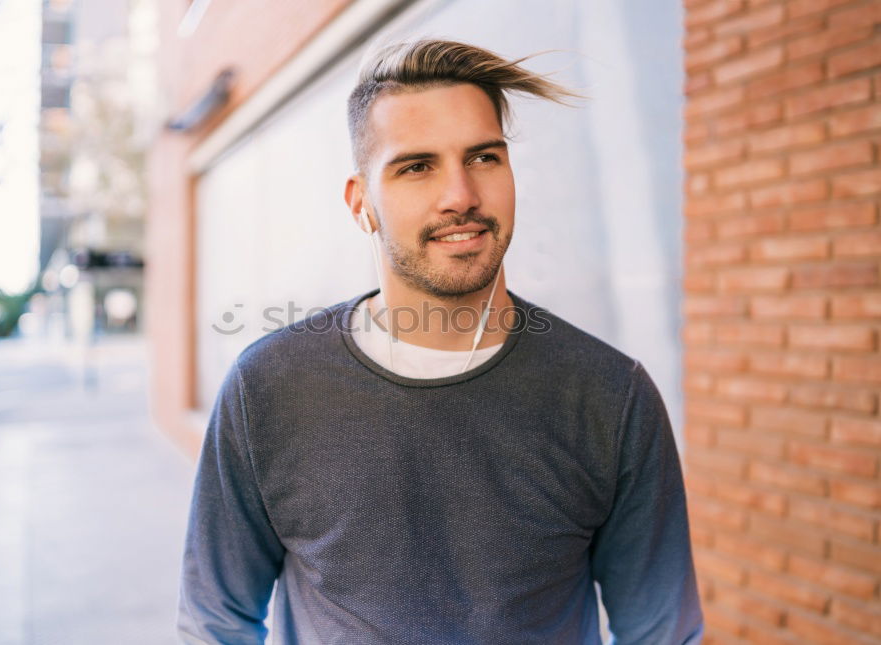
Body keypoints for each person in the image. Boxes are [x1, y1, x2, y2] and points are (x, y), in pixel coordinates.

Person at [177, 39, 703, 645]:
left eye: (483, 158)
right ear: (361, 204)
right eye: (416, 166)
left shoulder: (610, 396)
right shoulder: (267, 387)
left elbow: (662, 632)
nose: (461, 196)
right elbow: (213, 621)